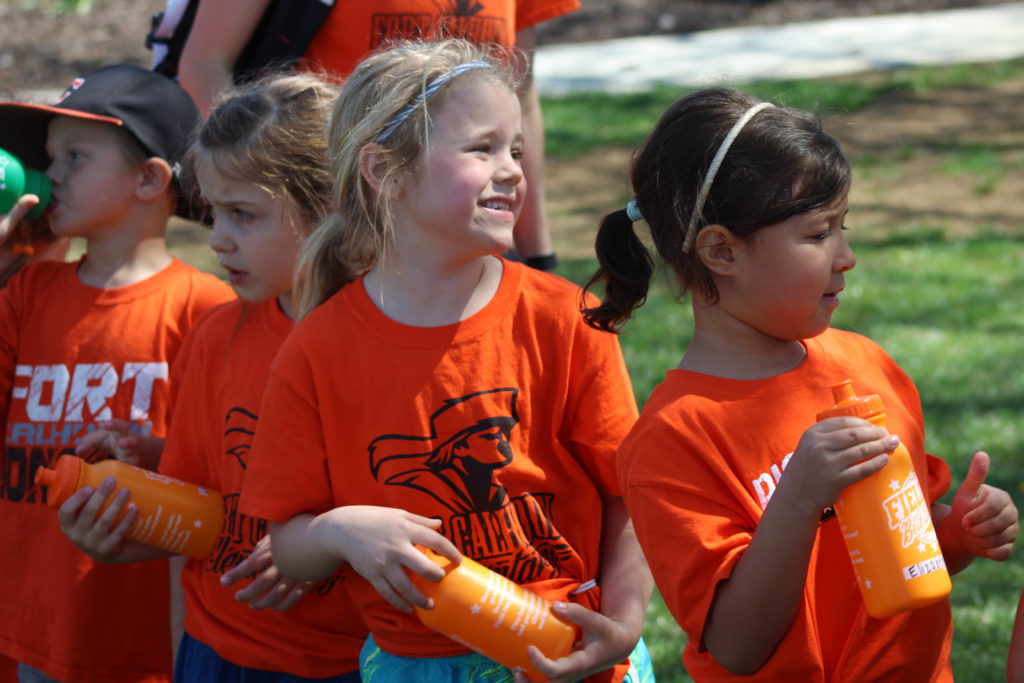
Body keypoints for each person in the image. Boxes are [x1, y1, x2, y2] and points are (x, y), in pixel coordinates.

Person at [239, 39, 653, 683]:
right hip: (413, 667)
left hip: (571, 652)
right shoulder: (318, 350)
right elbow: (290, 547)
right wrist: (340, 531)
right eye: (482, 148)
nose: (514, 169)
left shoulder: (563, 318)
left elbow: (628, 495)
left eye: (516, 148)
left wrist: (623, 626)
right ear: (386, 172)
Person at [582, 86, 1020, 680]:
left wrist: (958, 531)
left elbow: (900, 555)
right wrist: (798, 495)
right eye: (818, 235)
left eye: (844, 226)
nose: (847, 256)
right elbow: (738, 645)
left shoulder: (867, 364)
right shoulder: (672, 439)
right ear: (721, 252)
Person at [53, 72, 371, 683]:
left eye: (242, 215)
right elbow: (207, 508)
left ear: (330, 206)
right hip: (214, 652)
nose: (218, 240)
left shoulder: (387, 340)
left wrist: (316, 548)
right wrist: (126, 515)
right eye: (213, 212)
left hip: (347, 662)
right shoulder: (216, 336)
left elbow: (424, 506)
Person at [0, 65, 235, 683]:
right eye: (50, 157)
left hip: (146, 640)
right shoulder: (26, 292)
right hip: (33, 628)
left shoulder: (204, 308)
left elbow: (220, 479)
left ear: (150, 178)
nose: (51, 173)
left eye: (75, 156)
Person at [177, 0, 578, 271]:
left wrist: (536, 254)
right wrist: (284, 192)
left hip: (464, 232)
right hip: (337, 234)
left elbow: (519, 98)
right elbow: (204, 64)